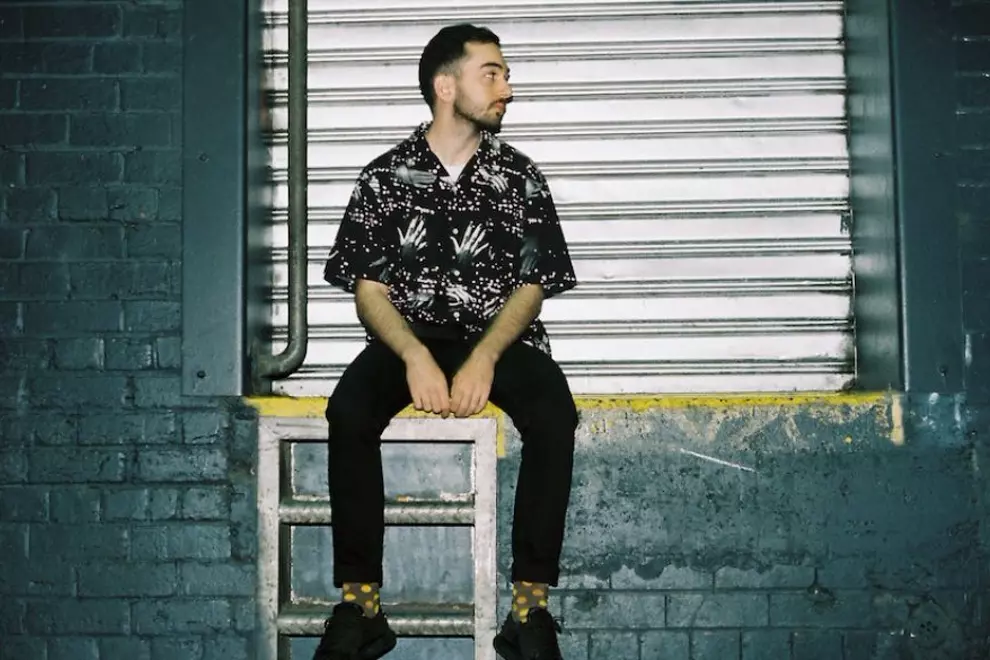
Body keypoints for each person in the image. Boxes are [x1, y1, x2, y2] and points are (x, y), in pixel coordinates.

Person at [313, 23, 579, 660]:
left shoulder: (520, 176)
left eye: (505, 75)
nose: (507, 89)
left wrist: (485, 356)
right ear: (445, 85)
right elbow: (368, 290)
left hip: (499, 338)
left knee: (554, 413)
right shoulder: (384, 177)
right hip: (409, 337)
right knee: (348, 411)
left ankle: (529, 608)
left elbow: (533, 285)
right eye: (492, 74)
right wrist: (412, 356)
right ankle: (361, 605)